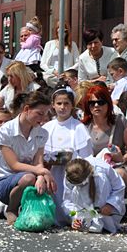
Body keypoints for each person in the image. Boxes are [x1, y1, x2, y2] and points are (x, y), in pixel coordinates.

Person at [0, 91, 55, 224]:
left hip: (28, 175)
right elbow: (14, 165)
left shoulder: (42, 133)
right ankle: (12, 208)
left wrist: (42, 177)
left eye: (46, 114)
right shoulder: (6, 130)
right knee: (29, 177)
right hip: (3, 180)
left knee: (47, 183)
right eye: (40, 113)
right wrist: (41, 172)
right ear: (27, 109)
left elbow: (38, 162)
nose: (43, 119)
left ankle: (33, 211)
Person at [43, 88, 92, 224]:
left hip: (71, 173)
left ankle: (72, 218)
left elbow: (86, 156)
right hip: (52, 172)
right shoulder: (47, 127)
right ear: (53, 105)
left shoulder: (78, 128)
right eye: (59, 103)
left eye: (66, 104)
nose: (62, 107)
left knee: (69, 198)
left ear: (72, 106)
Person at [81, 84, 127, 189]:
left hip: (114, 168)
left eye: (101, 102)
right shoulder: (83, 126)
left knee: (119, 175)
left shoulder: (120, 121)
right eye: (92, 103)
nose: (96, 106)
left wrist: (121, 158)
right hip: (91, 169)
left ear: (108, 104)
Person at [62, 156, 125, 233]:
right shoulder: (70, 174)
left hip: (105, 204)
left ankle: (105, 223)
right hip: (82, 209)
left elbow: (119, 187)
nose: (80, 187)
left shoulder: (103, 169)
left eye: (81, 185)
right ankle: (84, 221)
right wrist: (74, 217)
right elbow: (68, 201)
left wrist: (110, 204)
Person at [40, 20, 81, 85]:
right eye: (59, 28)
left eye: (64, 30)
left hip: (67, 75)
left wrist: (67, 72)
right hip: (52, 75)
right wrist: (53, 71)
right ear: (56, 30)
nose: (61, 32)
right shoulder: (49, 44)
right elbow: (43, 63)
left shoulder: (72, 45)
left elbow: (78, 62)